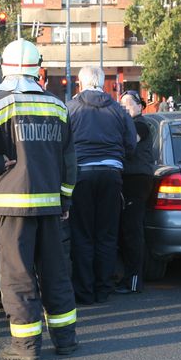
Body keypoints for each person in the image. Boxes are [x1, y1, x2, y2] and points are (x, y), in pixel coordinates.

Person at [0, 39, 78, 360]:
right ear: (37, 68)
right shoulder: (56, 105)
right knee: (55, 271)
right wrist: (65, 199)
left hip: (11, 205)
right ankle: (66, 339)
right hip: (50, 205)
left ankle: (25, 346)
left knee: (17, 273)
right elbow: (70, 161)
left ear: (5, 67)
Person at [67, 66, 136, 304]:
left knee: (82, 234)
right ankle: (103, 289)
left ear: (80, 83)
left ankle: (84, 291)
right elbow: (131, 144)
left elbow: (61, 145)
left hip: (82, 174)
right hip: (111, 174)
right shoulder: (118, 109)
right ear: (103, 83)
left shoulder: (70, 108)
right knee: (106, 234)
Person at [116, 91, 154, 295]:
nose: (124, 109)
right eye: (121, 106)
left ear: (140, 106)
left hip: (136, 180)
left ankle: (134, 281)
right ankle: (127, 277)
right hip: (129, 180)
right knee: (126, 231)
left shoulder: (140, 125)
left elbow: (128, 145)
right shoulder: (128, 124)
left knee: (132, 232)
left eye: (128, 105)